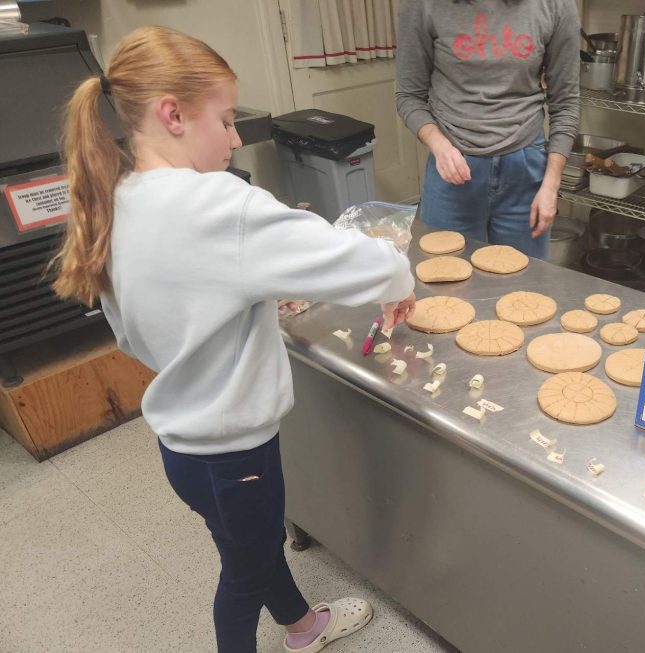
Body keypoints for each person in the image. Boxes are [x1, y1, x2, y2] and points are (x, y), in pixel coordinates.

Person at [52, 26, 415, 653]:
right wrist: (398, 276)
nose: (236, 136)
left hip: (181, 444)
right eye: (224, 119)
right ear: (173, 114)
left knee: (249, 542)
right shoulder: (220, 204)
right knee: (242, 577)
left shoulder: (118, 199)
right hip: (234, 451)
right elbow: (369, 264)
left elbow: (137, 330)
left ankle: (303, 626)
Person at [396, 0, 580, 259]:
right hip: (453, 168)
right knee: (446, 284)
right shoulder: (424, 5)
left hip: (525, 170)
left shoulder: (555, 5)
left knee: (523, 286)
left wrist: (551, 186)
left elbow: (566, 103)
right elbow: (408, 95)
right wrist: (439, 145)